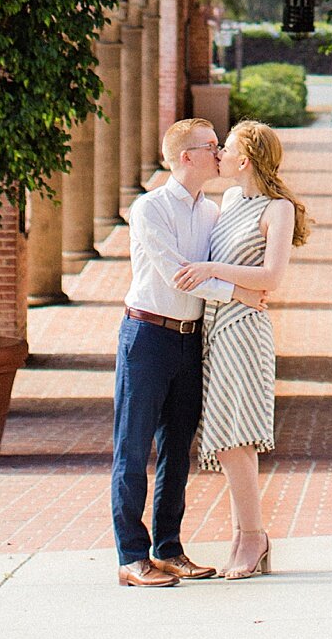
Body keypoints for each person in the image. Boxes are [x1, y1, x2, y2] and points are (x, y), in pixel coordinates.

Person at [113, 116, 264, 588]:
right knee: (133, 447)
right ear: (186, 157)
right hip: (147, 337)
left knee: (178, 449)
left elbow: (218, 267)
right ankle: (132, 556)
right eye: (211, 146)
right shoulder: (150, 209)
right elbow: (180, 273)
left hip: (190, 338)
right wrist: (238, 294)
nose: (219, 153)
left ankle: (168, 548)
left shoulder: (211, 213)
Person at [173, 118, 312, 581]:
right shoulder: (229, 200)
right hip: (215, 326)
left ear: (245, 159)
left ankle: (253, 537)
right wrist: (228, 284)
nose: (219, 155)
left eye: (225, 148)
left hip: (245, 331)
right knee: (226, 436)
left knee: (237, 437)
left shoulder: (277, 210)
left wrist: (213, 268)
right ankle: (242, 534)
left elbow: (272, 277)